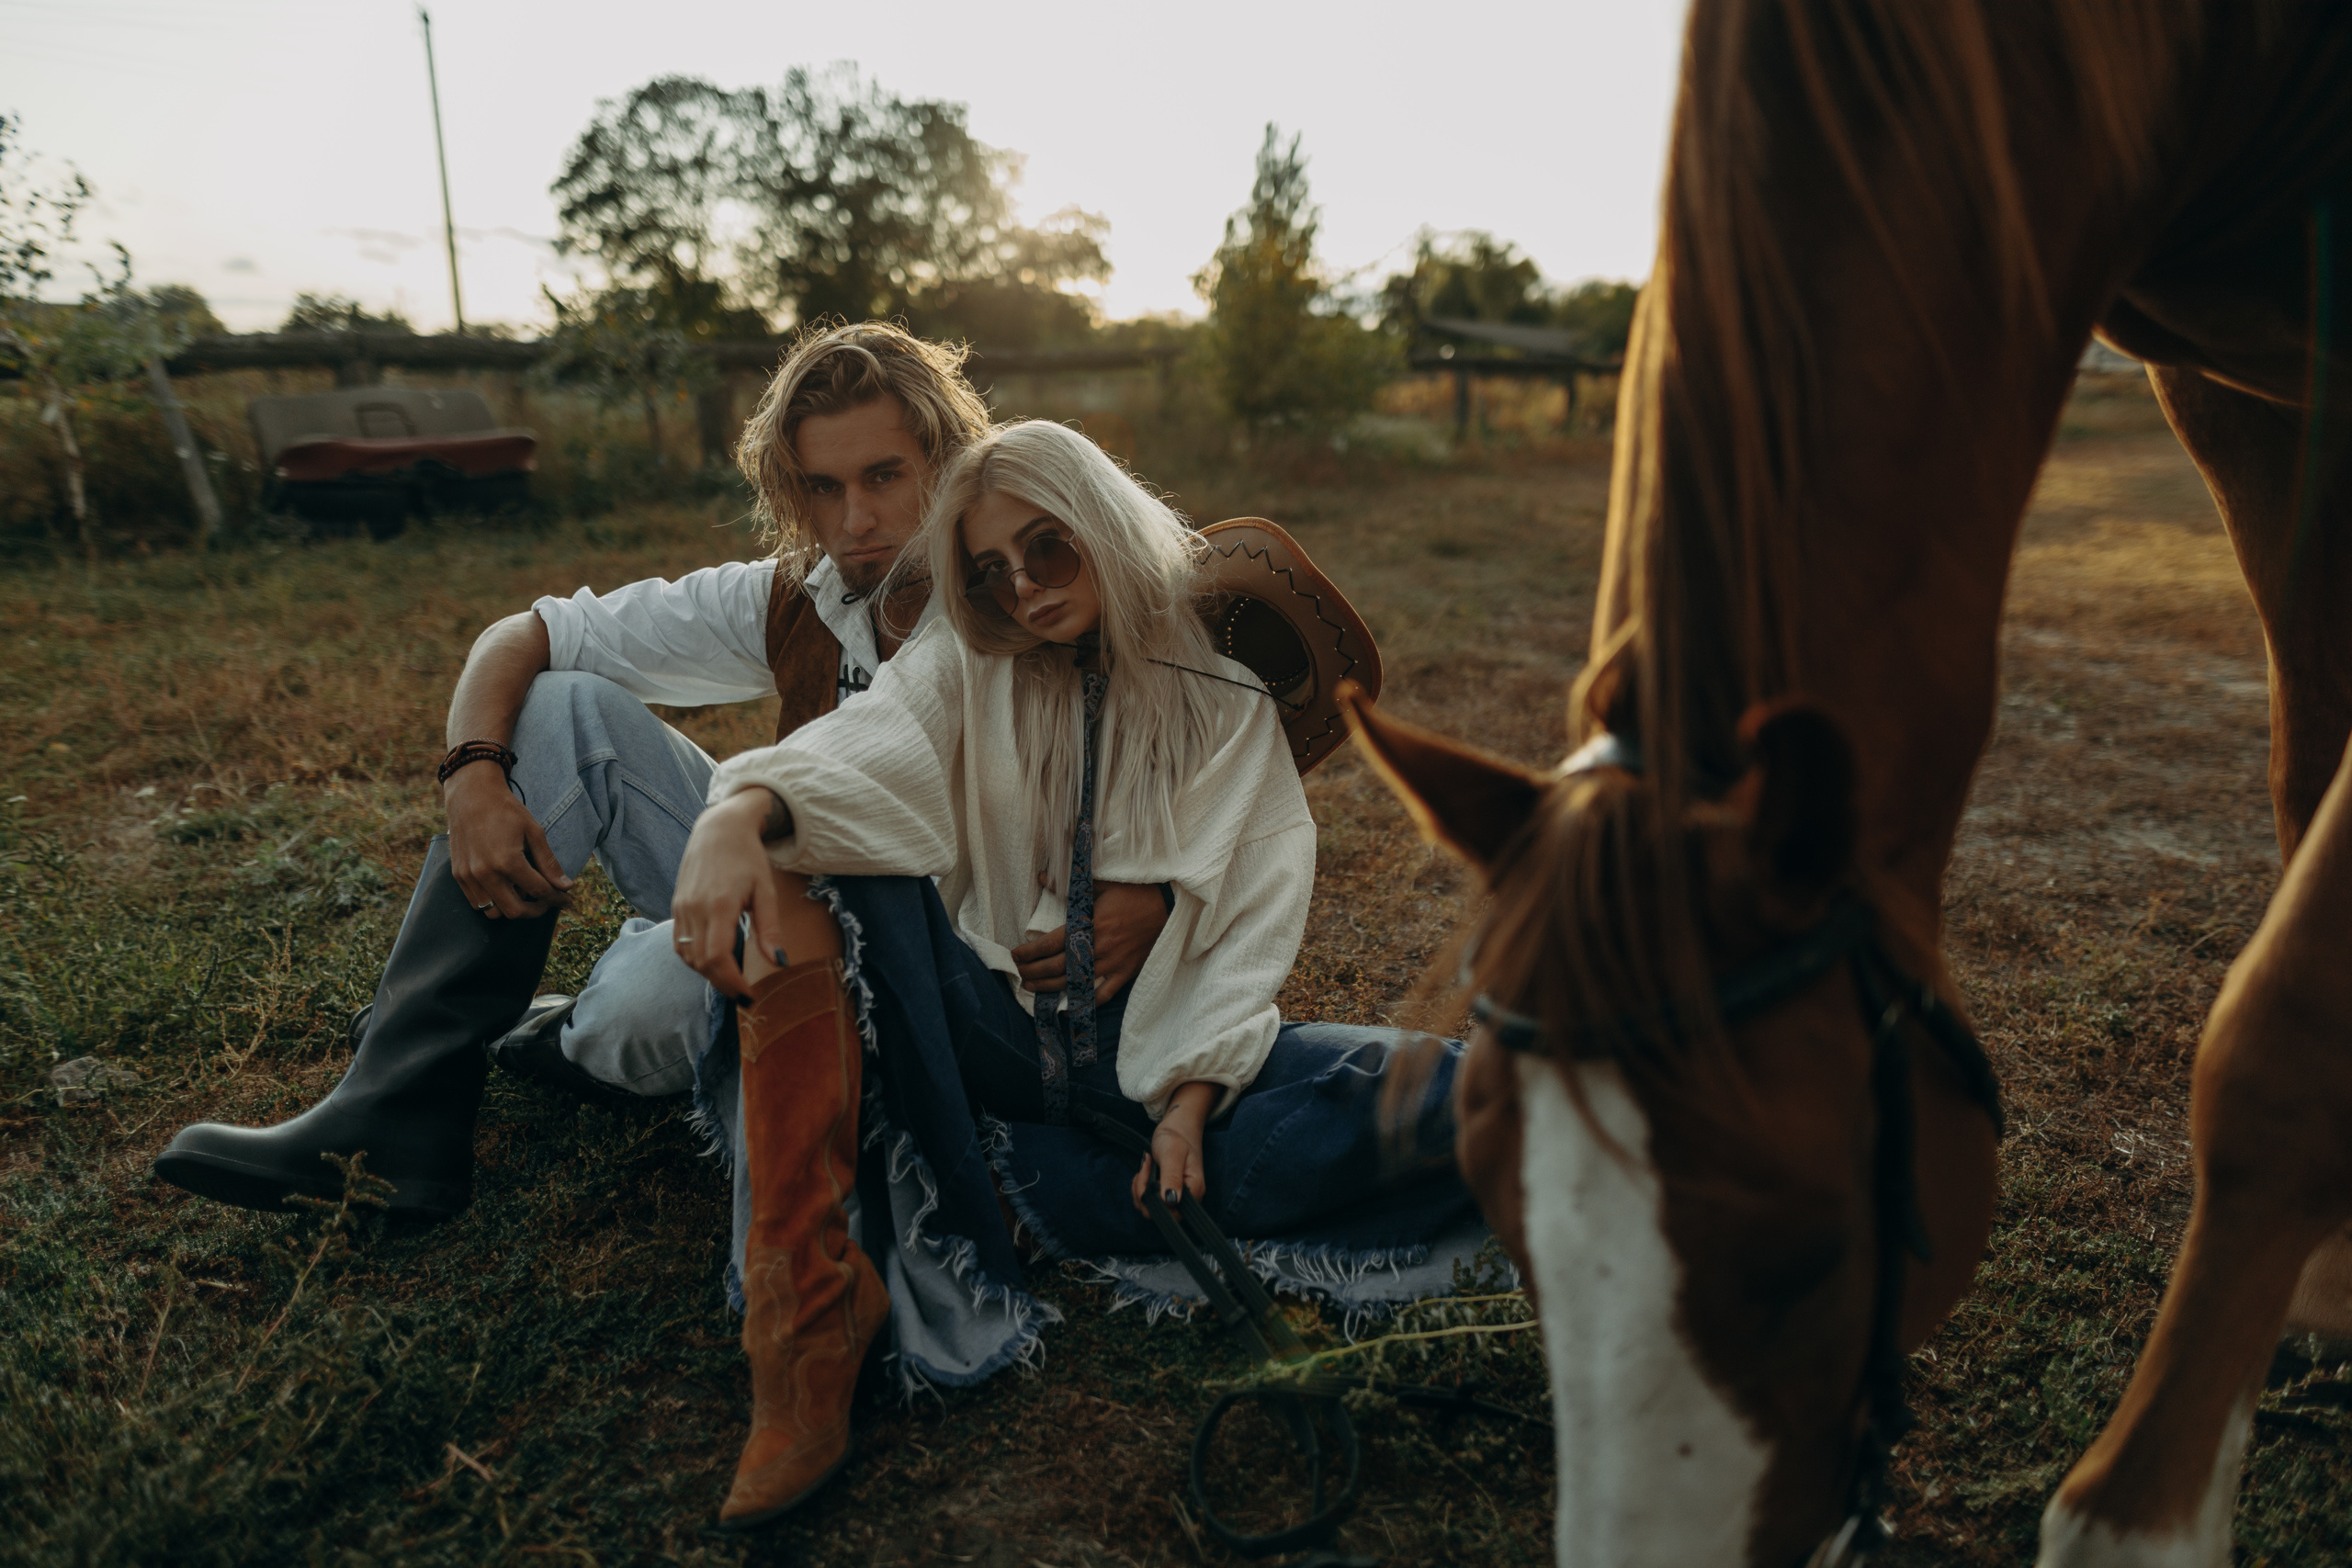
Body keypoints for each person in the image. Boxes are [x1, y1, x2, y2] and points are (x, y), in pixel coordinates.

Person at [151, 322, 1176, 1219]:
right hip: (777, 888)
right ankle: (389, 1120)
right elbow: (530, 632)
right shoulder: (797, 597)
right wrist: (471, 775)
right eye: (822, 486)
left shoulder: (1031, 591)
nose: (855, 519)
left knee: (645, 1009)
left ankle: (543, 1035)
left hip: (932, 966)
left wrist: (1154, 888)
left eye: (883, 477)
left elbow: (1195, 692)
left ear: (948, 462)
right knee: (562, 708)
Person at [667, 420, 1480, 1530]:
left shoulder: (1225, 701)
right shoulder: (962, 661)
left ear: (1101, 523)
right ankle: (803, 1328)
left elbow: (1243, 932)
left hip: (1147, 1070)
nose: (1026, 587)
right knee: (829, 857)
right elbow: (871, 749)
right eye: (992, 572)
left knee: (1443, 1096)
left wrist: (1189, 1112)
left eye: (1048, 547)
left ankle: (1053, 1194)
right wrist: (740, 811)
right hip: (988, 1040)